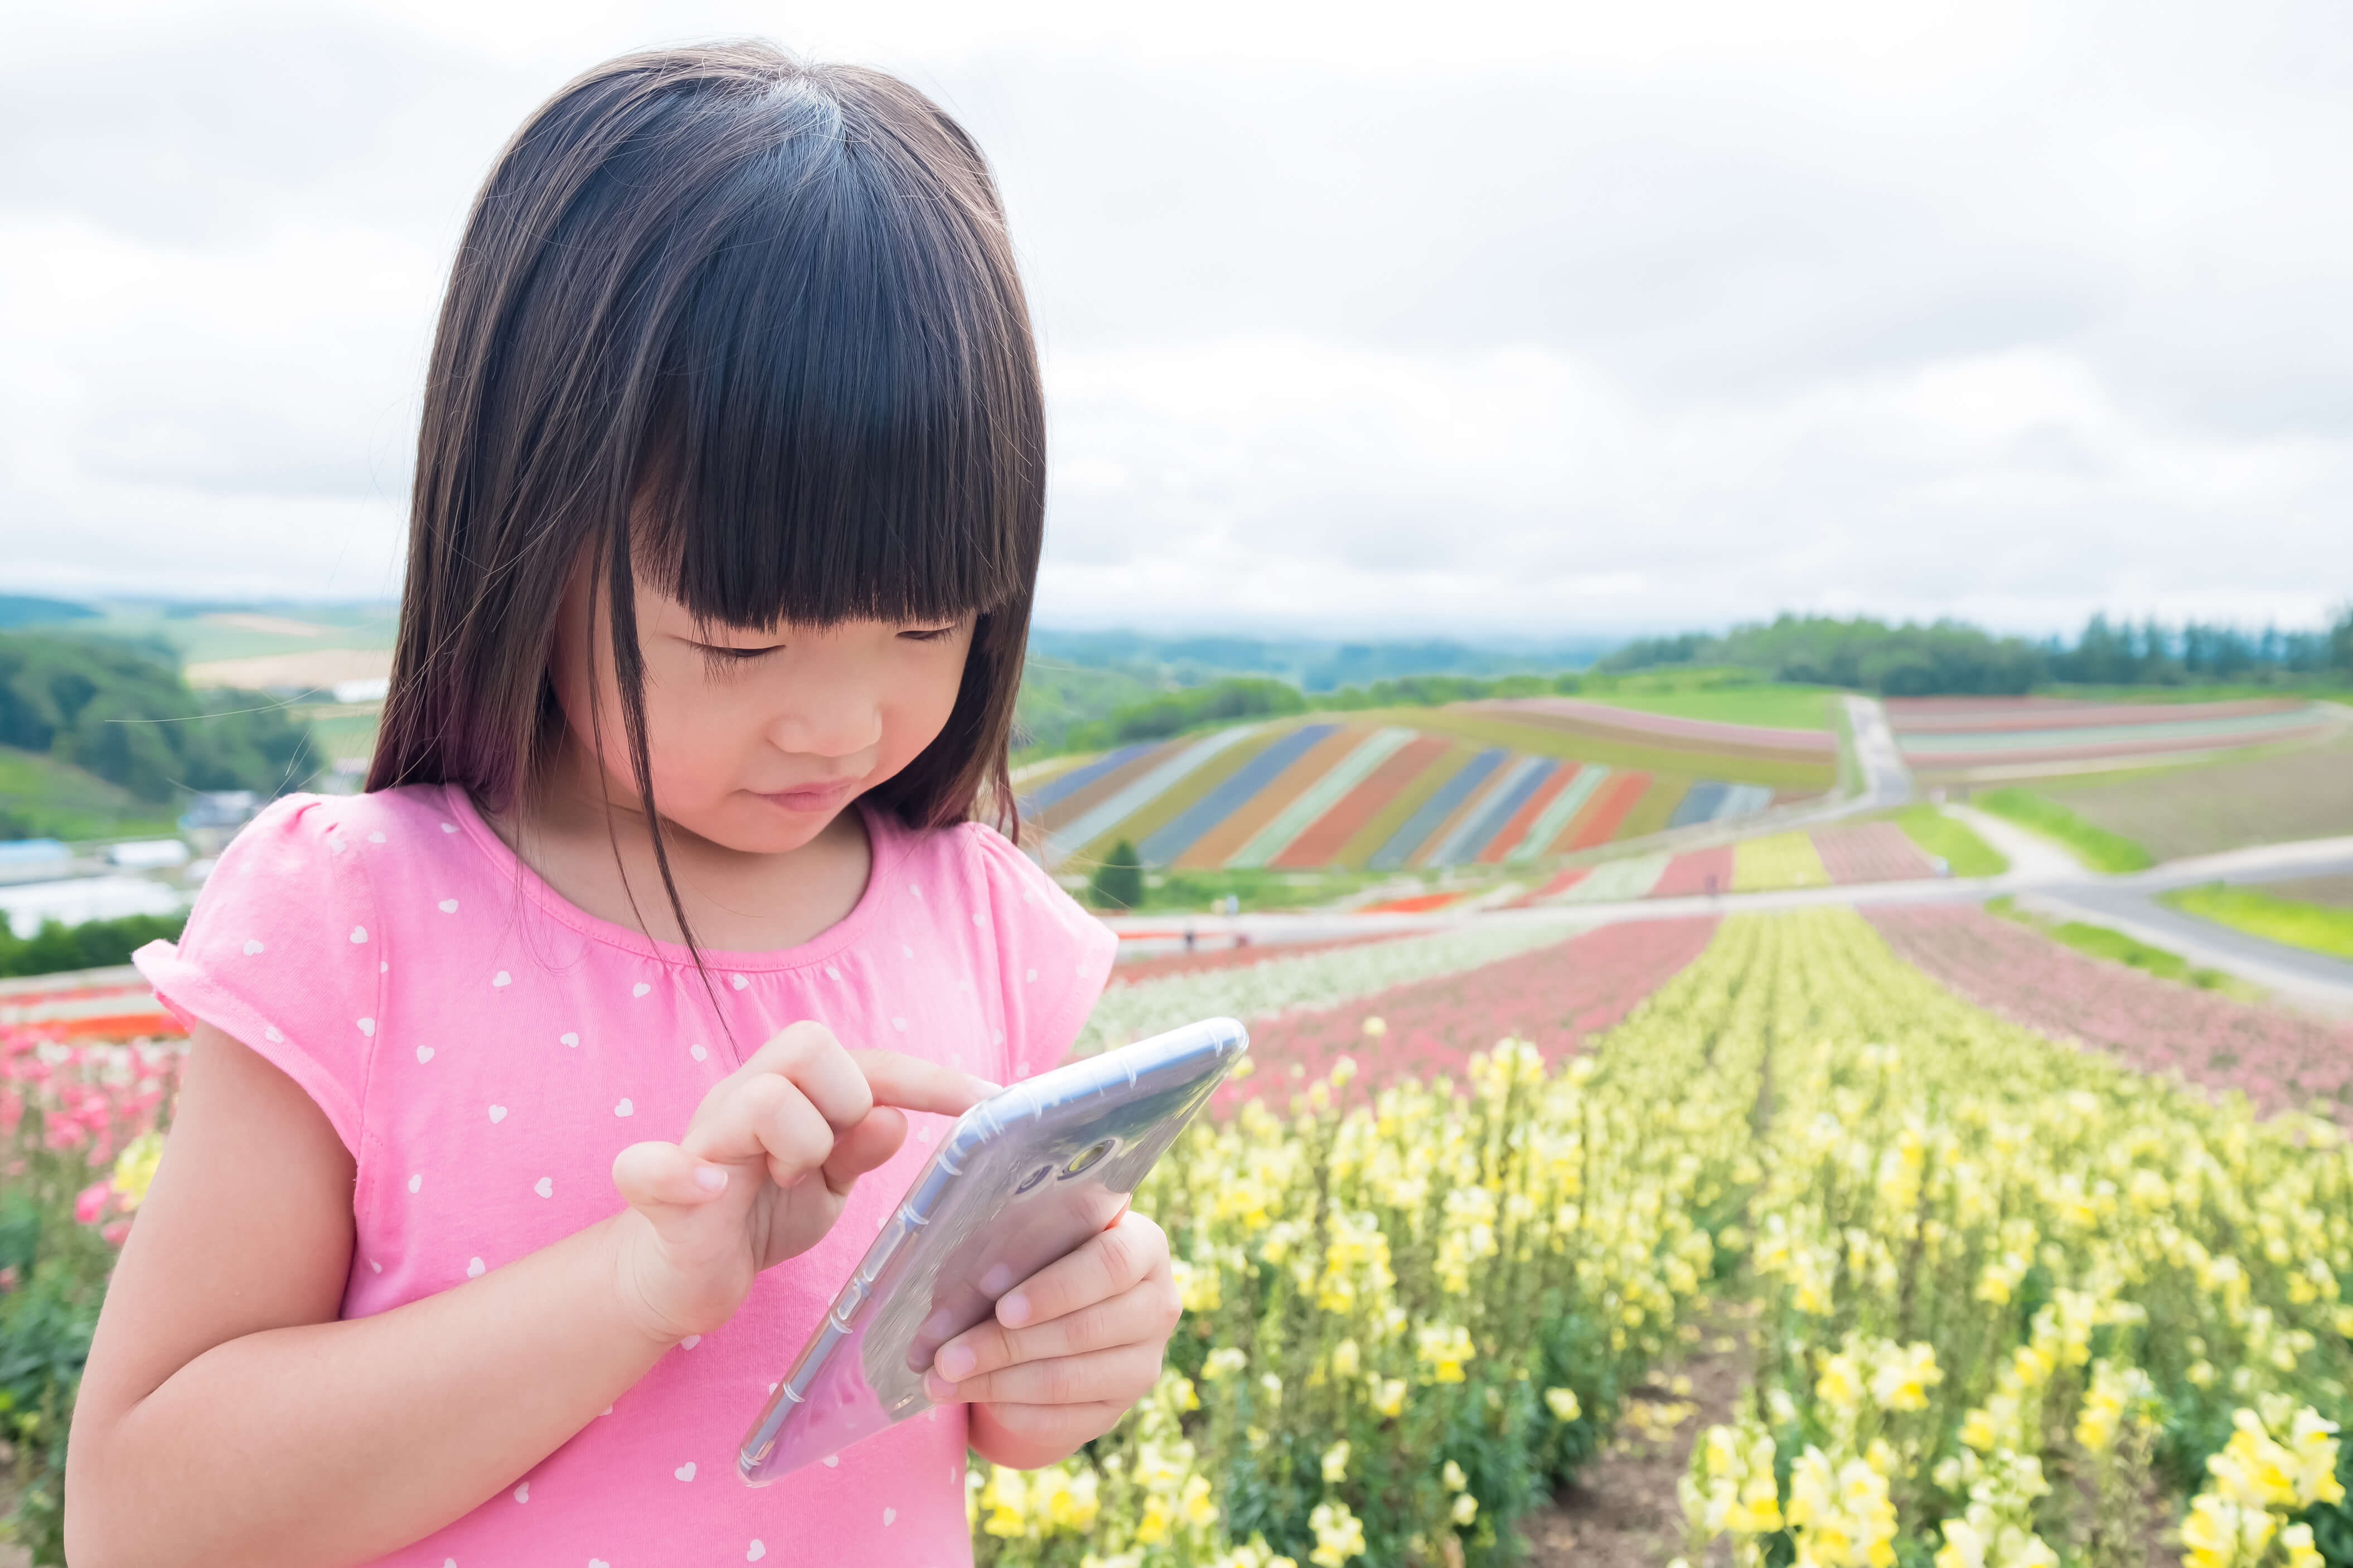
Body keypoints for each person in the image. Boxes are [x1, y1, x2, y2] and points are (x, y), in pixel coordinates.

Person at [66, 44, 1178, 1568]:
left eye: (929, 627)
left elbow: (973, 1414)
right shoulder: (358, 922)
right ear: (525, 535)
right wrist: (639, 1287)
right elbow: (141, 1519)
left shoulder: (983, 923)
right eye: (737, 641)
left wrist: (1071, 1358)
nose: (843, 721)